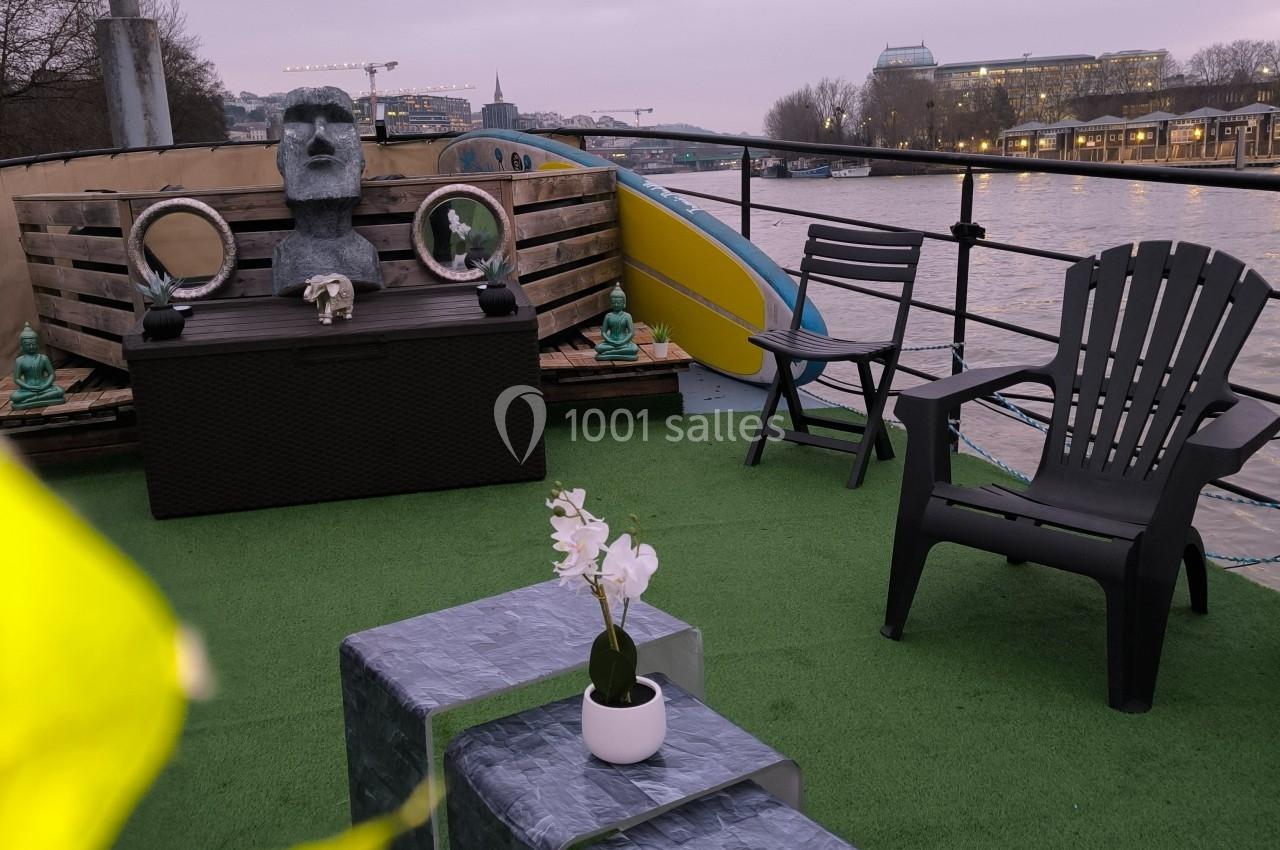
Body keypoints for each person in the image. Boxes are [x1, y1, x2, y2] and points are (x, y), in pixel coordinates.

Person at [10, 323, 65, 410]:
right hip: (28, 389)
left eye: (33, 344)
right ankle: (38, 397)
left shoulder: (43, 358)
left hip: (44, 387)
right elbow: (16, 379)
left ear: (37, 344)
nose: (31, 347)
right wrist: (29, 387)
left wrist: (46, 385)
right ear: (22, 346)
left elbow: (51, 374)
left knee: (60, 391)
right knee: (15, 397)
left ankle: (32, 400)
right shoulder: (19, 360)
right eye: (28, 345)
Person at [595, 285, 639, 361]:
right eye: (614, 302)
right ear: (611, 303)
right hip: (610, 342)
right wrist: (610, 340)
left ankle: (608, 353)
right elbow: (604, 332)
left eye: (619, 303)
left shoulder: (627, 316)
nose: (616, 305)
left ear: (624, 303)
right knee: (598, 348)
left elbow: (631, 333)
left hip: (624, 342)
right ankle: (617, 352)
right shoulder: (608, 316)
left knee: (634, 349)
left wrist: (623, 341)